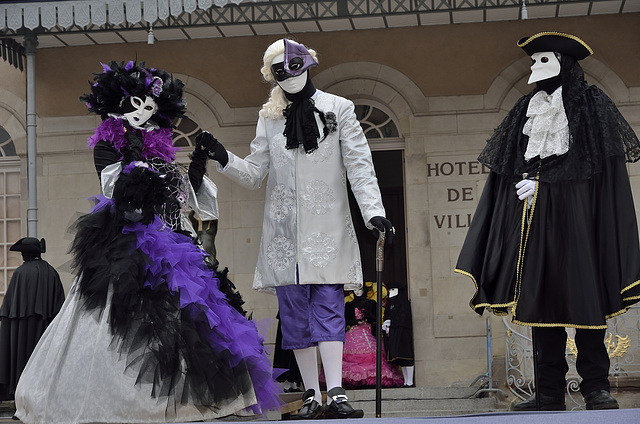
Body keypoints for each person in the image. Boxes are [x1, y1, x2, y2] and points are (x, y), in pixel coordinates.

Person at [14, 61, 282, 423]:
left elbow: (183, 198)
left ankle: (195, 401)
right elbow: (119, 193)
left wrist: (198, 164)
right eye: (137, 103)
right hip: (128, 248)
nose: (144, 112)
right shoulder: (109, 147)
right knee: (127, 322)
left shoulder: (160, 152)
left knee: (195, 324)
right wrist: (137, 160)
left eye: (151, 108)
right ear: (119, 105)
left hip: (175, 246)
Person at [197, 38, 394, 419]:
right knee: (294, 315)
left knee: (328, 307)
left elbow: (359, 165)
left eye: (294, 64)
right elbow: (256, 174)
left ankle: (335, 393)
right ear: (270, 75)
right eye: (279, 68)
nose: (289, 73)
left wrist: (373, 212)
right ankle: (310, 395)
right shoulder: (269, 117)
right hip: (284, 235)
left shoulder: (339, 109)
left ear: (308, 64)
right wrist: (223, 157)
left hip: (328, 226)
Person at [455, 32, 640, 411]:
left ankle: (595, 388)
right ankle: (550, 392)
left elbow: (596, 169)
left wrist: (547, 185)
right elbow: (510, 166)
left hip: (579, 221)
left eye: (542, 59)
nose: (533, 67)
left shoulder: (591, 105)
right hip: (534, 222)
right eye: (532, 60)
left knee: (585, 294)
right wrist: (517, 192)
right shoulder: (527, 107)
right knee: (540, 299)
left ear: (564, 63)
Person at [0, 238, 64, 403]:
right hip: (45, 329)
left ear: (26, 254)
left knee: (21, 362)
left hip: (21, 329)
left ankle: (21, 402)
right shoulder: (52, 272)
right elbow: (60, 306)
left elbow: (10, 307)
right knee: (43, 364)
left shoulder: (21, 273)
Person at [340, 286, 403, 389]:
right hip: (353, 332)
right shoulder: (349, 305)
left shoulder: (372, 303)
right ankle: (355, 380)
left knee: (373, 353)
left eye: (360, 290)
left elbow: (377, 318)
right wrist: (355, 322)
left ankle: (371, 379)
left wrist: (368, 317)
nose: (358, 292)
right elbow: (345, 319)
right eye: (355, 290)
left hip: (369, 332)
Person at [382, 283, 415, 388]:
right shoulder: (391, 305)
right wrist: (387, 323)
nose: (390, 292)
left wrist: (393, 323)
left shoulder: (404, 303)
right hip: (394, 333)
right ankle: (406, 381)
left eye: (393, 289)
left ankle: (410, 381)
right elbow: (388, 316)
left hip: (403, 333)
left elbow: (404, 318)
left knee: (406, 355)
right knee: (400, 358)